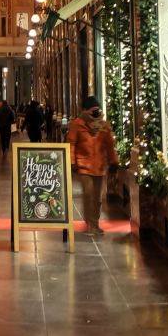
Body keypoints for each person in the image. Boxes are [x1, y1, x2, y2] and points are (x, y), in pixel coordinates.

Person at [67, 95, 118, 236]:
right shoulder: (78, 124)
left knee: (97, 197)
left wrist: (114, 161)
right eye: (92, 109)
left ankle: (95, 222)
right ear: (85, 110)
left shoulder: (104, 126)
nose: (95, 112)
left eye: (97, 109)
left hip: (99, 166)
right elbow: (71, 143)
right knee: (88, 194)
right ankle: (90, 223)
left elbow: (109, 145)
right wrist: (72, 161)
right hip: (84, 165)